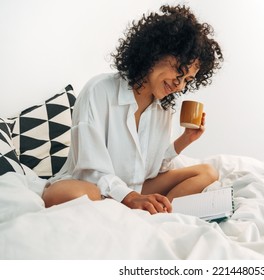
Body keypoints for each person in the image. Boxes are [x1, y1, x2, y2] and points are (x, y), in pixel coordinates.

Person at [42, 5, 224, 215]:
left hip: (135, 188)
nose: (180, 85)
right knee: (59, 194)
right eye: (179, 72)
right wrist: (129, 197)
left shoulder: (163, 109)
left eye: (187, 80)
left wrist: (185, 140)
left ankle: (159, 214)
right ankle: (135, 206)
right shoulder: (99, 90)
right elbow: (90, 169)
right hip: (94, 187)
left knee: (208, 172)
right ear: (155, 53)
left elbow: (151, 168)